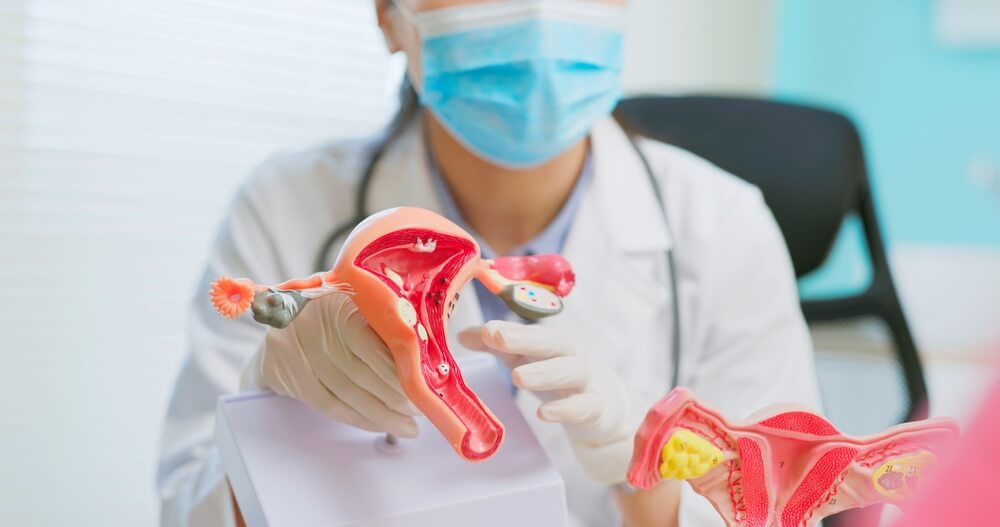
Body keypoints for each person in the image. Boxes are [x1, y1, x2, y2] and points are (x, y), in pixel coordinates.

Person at [157, 1, 821, 526]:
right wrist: (270, 404)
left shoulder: (725, 225)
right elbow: (187, 511)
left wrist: (644, 472)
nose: (536, 12)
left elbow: (780, 499)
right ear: (389, 15)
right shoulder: (284, 208)